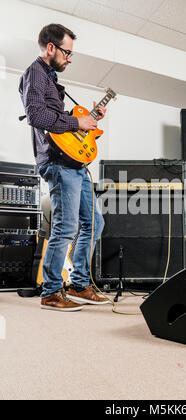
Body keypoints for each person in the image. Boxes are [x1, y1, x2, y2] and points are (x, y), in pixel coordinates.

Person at [19, 23, 110, 311]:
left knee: (94, 223)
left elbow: (59, 121)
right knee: (66, 226)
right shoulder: (35, 73)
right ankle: (51, 292)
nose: (69, 58)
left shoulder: (50, 79)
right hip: (57, 163)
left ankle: (80, 284)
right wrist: (76, 122)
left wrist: (88, 119)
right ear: (50, 48)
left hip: (74, 162)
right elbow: (36, 115)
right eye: (67, 52)